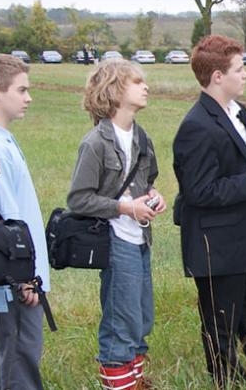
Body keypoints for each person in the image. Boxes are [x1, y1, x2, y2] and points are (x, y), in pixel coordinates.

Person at [173, 34, 246, 386]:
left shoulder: (238, 114)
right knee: (222, 319)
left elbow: (236, 164)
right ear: (217, 76)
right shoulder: (196, 126)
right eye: (239, 69)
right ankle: (226, 378)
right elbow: (199, 190)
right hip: (217, 242)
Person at [67, 59, 166, 389]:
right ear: (114, 90)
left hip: (141, 240)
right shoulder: (95, 143)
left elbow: (146, 180)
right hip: (115, 241)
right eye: (137, 82)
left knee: (141, 317)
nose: (145, 87)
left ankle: (136, 382)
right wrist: (126, 208)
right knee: (121, 321)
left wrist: (153, 196)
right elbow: (79, 199)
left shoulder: (141, 137)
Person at [0, 54, 51, 390]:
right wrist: (24, 279)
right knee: (17, 361)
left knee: (19, 357)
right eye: (22, 90)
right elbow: (5, 224)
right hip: (10, 284)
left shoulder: (0, 139)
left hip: (18, 280)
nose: (29, 98)